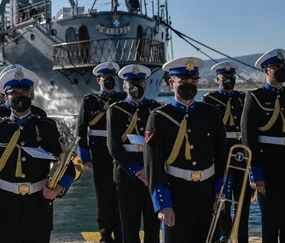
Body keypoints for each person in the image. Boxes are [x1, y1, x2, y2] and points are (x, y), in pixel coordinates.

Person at [0, 66, 75, 243]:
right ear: (6, 97)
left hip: (39, 207)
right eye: (14, 93)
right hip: (5, 207)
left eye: (25, 92)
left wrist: (59, 189)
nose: (20, 96)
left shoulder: (47, 127)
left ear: (32, 95)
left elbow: (67, 166)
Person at [145, 57, 228, 243]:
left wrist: (221, 193)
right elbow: (153, 165)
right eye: (183, 82)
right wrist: (163, 204)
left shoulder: (211, 113)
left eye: (193, 81)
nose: (189, 85)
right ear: (171, 83)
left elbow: (222, 158)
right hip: (176, 192)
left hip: (208, 194)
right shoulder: (159, 117)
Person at [241, 48, 285, 243]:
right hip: (268, 167)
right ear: (266, 71)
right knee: (270, 223)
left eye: (283, 66)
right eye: (276, 66)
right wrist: (255, 173)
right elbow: (248, 139)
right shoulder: (255, 97)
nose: (281, 69)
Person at [106, 64, 161, 243]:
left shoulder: (156, 109)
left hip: (151, 171)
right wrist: (136, 170)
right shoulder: (115, 110)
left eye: (140, 82)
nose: (136, 86)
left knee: (153, 223)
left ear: (146, 85)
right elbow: (114, 146)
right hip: (126, 172)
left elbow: (161, 144)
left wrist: (149, 170)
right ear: (124, 86)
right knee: (129, 225)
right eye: (131, 83)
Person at [201, 61, 251, 242]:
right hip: (221, 155)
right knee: (222, 203)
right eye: (224, 79)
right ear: (217, 80)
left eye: (231, 78)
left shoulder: (242, 98)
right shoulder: (210, 100)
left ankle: (241, 237)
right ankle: (223, 236)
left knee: (243, 202)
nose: (228, 82)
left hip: (242, 155)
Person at [77, 61, 125, 243]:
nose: (109, 82)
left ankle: (122, 235)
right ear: (99, 80)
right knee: (103, 196)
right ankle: (105, 236)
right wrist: (85, 156)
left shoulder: (122, 99)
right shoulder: (89, 101)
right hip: (99, 152)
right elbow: (81, 130)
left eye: (112, 79)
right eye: (106, 79)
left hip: (120, 151)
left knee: (121, 195)